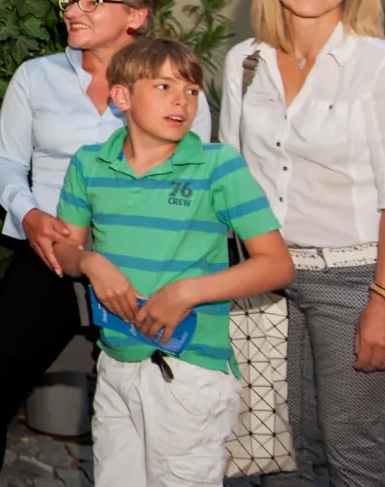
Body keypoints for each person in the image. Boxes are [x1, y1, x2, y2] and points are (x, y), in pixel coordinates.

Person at [0, 0, 212, 484]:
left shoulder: (173, 87)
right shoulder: (37, 76)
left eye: (93, 2)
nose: (74, 11)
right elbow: (5, 162)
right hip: (47, 258)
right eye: (72, 0)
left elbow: (196, 179)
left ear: (135, 17)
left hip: (141, 269)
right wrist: (29, 216)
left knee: (145, 416)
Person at [219, 0, 385, 487]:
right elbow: (231, 178)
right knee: (273, 452)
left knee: (350, 451)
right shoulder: (245, 62)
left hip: (354, 279)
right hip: (264, 277)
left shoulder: (384, 68)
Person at [53, 38, 294, 486]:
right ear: (122, 96)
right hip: (115, 361)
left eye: (191, 90)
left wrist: (186, 293)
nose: (182, 101)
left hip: (187, 372)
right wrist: (90, 263)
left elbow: (277, 266)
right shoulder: (89, 165)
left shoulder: (217, 166)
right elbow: (65, 251)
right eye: (164, 86)